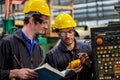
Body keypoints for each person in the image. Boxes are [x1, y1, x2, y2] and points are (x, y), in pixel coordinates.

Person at [0, 0, 50, 80]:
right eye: (44, 22)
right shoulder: (8, 43)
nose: (46, 26)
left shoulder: (38, 47)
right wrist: (15, 73)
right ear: (32, 20)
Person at [45, 12, 93, 80]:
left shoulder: (87, 48)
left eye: (70, 32)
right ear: (58, 34)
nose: (67, 36)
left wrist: (89, 64)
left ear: (74, 31)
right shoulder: (51, 56)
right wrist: (65, 75)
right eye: (63, 33)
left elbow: (99, 70)